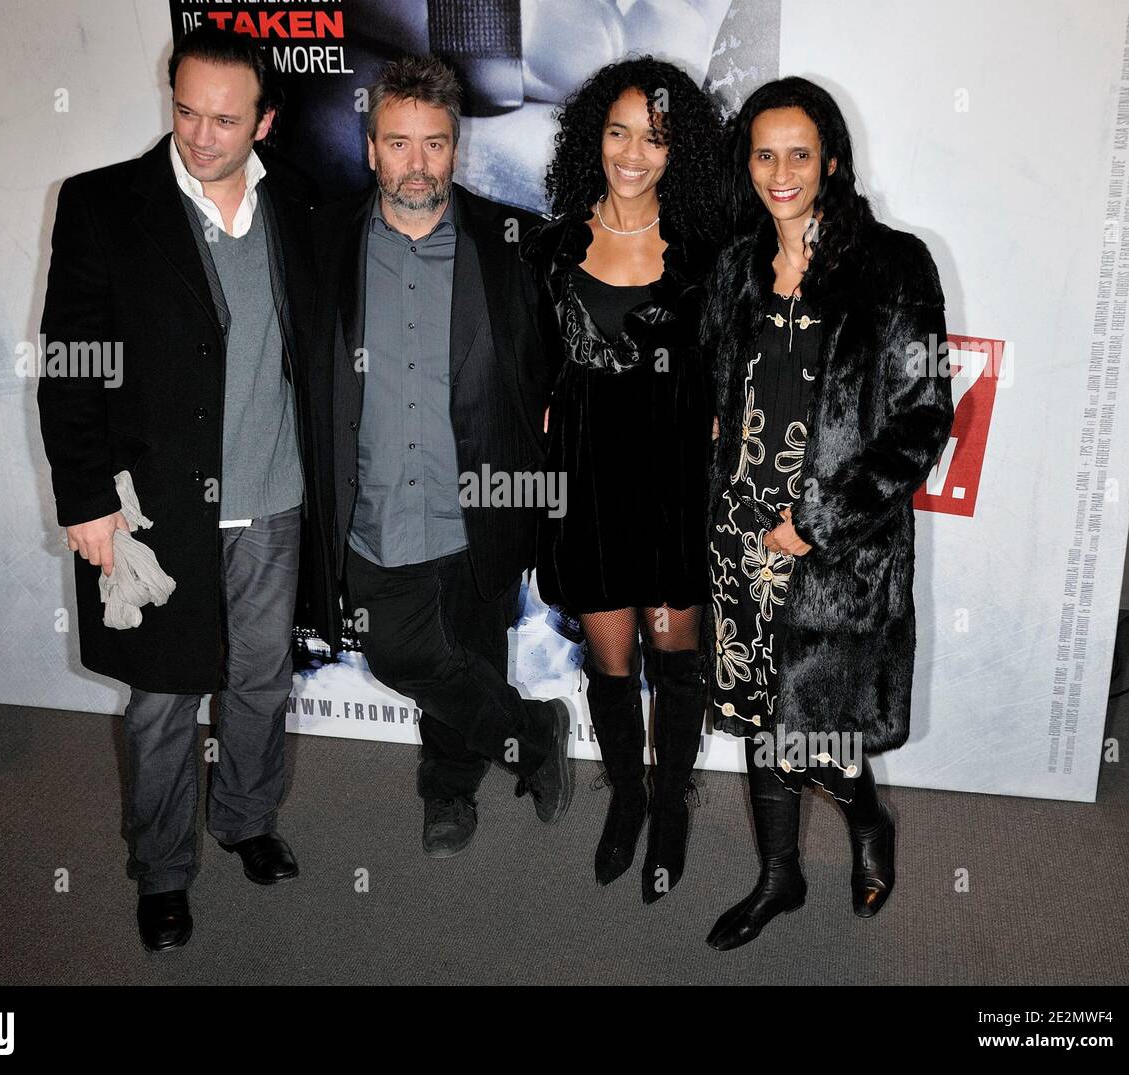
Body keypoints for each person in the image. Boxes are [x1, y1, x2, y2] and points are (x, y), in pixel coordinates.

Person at [37, 27, 316, 952]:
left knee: (261, 679)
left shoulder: (298, 208)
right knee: (161, 701)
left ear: (265, 122)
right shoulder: (103, 204)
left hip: (272, 497)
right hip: (155, 509)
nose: (200, 134)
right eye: (186, 110)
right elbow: (70, 365)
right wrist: (83, 498)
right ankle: (161, 871)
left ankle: (245, 817)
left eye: (226, 119)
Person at [701, 76, 955, 949]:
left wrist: (820, 520)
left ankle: (869, 820)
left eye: (799, 153)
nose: (781, 172)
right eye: (764, 154)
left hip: (835, 555)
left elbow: (925, 416)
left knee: (820, 733)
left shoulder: (894, 265)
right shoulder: (737, 262)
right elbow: (722, 381)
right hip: (739, 539)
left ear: (832, 161)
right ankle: (779, 878)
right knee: (757, 717)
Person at [301, 55, 572, 859]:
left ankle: (448, 792)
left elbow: (550, 368)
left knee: (475, 651)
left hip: (479, 502)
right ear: (371, 145)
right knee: (400, 652)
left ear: (456, 147)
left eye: (434, 144)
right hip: (373, 503)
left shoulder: (513, 242)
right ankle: (528, 730)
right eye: (398, 142)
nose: (417, 163)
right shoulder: (324, 241)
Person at [520, 58, 723, 903]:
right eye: (618, 131)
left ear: (681, 151)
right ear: (592, 137)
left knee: (674, 658)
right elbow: (533, 382)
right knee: (611, 664)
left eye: (655, 136)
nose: (633, 153)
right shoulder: (553, 247)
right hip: (591, 491)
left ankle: (671, 803)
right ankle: (628, 796)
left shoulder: (711, 253)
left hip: (674, 493)